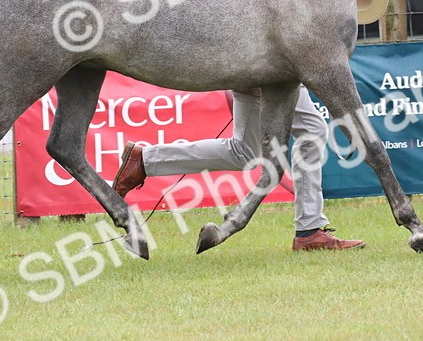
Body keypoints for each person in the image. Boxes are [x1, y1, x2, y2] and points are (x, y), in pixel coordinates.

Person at [112, 86, 364, 251]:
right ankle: (309, 230)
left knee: (246, 151)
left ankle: (145, 159)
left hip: (257, 71)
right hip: (272, 73)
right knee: (308, 131)